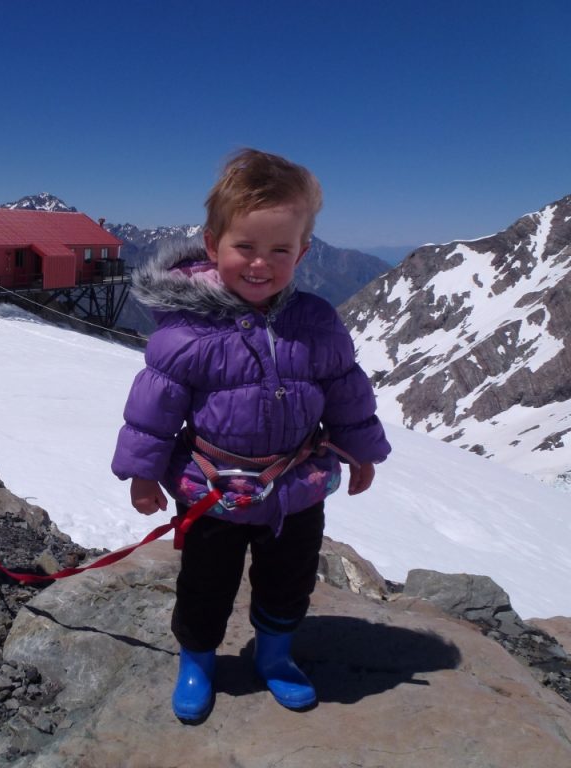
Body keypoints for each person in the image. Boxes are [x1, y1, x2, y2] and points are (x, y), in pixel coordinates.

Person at [111, 148, 390, 722]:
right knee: (205, 585)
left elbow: (345, 389)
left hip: (296, 486)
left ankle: (276, 654)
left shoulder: (316, 322)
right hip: (213, 491)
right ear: (213, 245)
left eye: (280, 251)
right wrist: (143, 472)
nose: (261, 264)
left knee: (289, 579)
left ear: (303, 252)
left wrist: (362, 451)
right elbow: (152, 409)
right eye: (246, 248)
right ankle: (198, 659)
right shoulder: (187, 331)